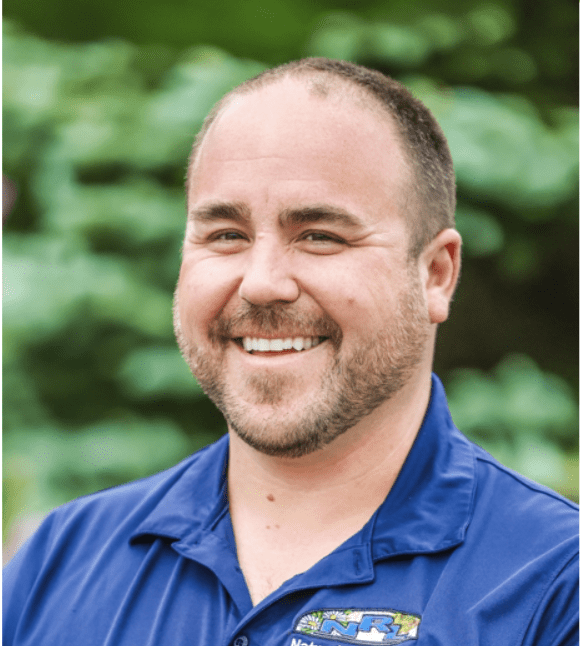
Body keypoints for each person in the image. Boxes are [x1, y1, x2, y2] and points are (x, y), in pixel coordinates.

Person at [3, 58, 578, 646]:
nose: (261, 282)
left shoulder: (555, 586)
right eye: (225, 235)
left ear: (435, 275)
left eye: (320, 236)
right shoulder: (56, 566)